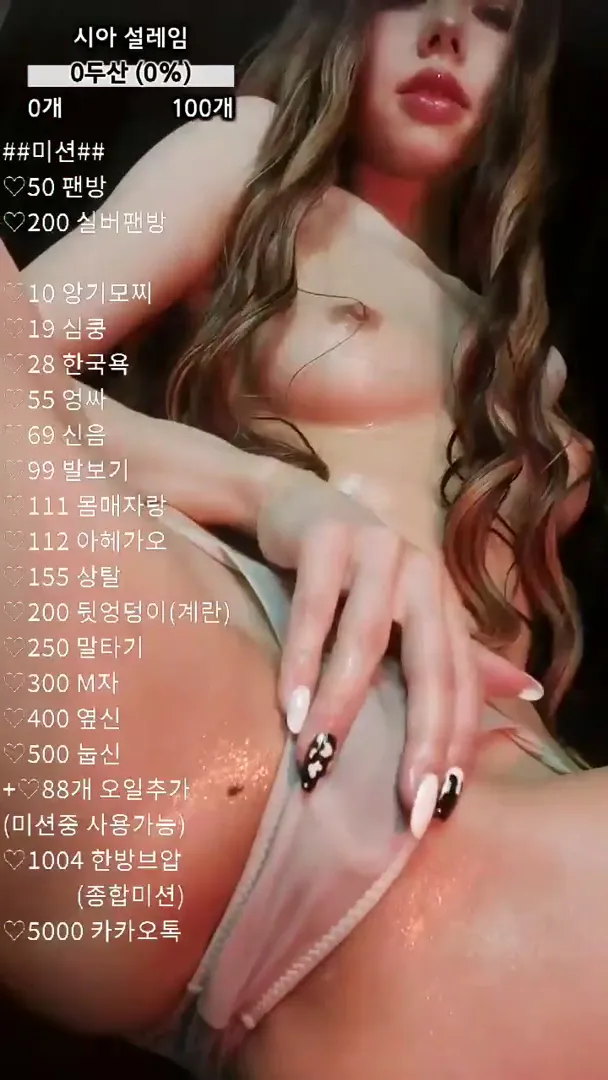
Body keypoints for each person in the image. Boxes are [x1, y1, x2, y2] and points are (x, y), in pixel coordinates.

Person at [2, 1, 605, 1078]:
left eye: (492, 15)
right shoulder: (246, 156)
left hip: (499, 835)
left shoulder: (525, 352)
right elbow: (18, 371)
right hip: (252, 708)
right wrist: (271, 491)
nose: (447, 34)